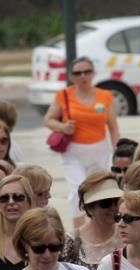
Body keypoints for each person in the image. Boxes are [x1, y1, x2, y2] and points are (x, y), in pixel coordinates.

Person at [43, 56, 120, 224]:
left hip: (100, 150)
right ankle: (79, 232)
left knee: (99, 190)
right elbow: (48, 119)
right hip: (73, 152)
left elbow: (113, 126)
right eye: (77, 73)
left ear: (93, 73)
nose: (83, 76)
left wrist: (118, 150)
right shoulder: (63, 95)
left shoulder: (105, 96)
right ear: (71, 76)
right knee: (77, 189)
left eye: (87, 72)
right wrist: (63, 127)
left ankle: (99, 225)